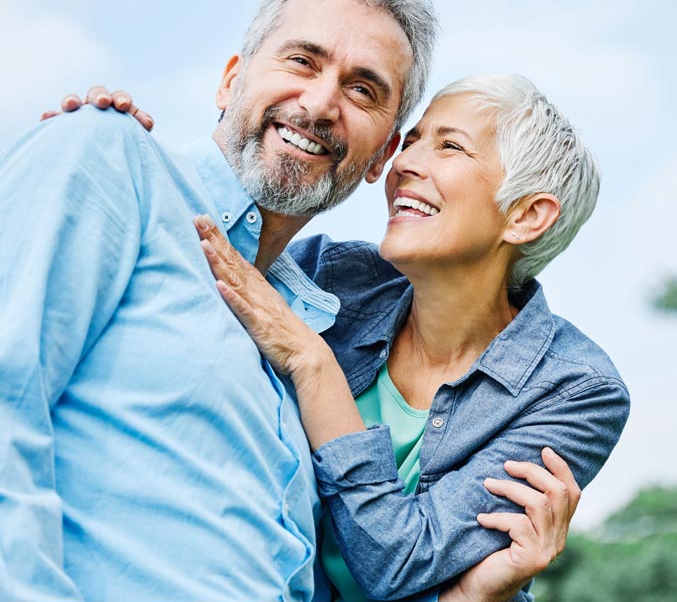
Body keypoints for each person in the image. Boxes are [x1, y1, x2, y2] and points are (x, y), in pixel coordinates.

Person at [0, 0, 578, 602]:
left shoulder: (314, 340)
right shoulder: (109, 157)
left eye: (363, 89)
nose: (322, 101)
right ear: (230, 81)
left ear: (380, 157)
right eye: (302, 60)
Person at [193, 74, 631, 601]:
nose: (403, 164)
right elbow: (188, 259)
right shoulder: (329, 275)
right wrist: (109, 147)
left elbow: (399, 565)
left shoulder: (576, 390)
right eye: (413, 139)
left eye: (449, 146)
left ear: (526, 215)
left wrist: (314, 365)